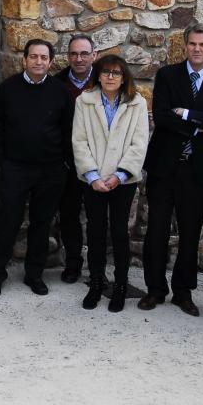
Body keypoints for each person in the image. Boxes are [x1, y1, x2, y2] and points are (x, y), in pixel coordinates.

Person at [139, 23, 203, 316]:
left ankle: (183, 291)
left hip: (197, 169)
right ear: (185, 46)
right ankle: (155, 289)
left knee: (190, 233)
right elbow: (164, 117)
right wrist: (201, 122)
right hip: (165, 167)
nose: (197, 49)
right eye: (192, 44)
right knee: (156, 230)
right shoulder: (168, 75)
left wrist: (188, 114)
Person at [0, 39, 73, 297]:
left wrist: (64, 163)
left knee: (41, 224)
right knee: (8, 222)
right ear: (24, 60)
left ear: (50, 61)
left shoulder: (60, 91)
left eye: (43, 58)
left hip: (50, 170)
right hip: (15, 168)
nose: (38, 62)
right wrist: (1, 162)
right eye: (33, 57)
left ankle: (34, 275)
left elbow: (68, 131)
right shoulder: (8, 89)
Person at [71, 54, 149, 312]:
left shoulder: (136, 103)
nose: (111, 77)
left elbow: (139, 144)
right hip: (93, 181)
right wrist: (92, 176)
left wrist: (120, 175)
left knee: (119, 232)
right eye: (106, 72)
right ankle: (95, 282)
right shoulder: (85, 101)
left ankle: (121, 285)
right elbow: (79, 141)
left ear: (124, 76)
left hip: (122, 182)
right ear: (98, 75)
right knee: (95, 232)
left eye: (116, 73)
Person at [55, 34, 98, 284]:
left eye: (84, 54)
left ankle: (96, 267)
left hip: (99, 162)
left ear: (94, 55)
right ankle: (73, 264)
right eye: (73, 54)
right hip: (69, 162)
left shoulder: (106, 80)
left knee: (96, 218)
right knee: (69, 216)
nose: (78, 59)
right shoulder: (58, 83)